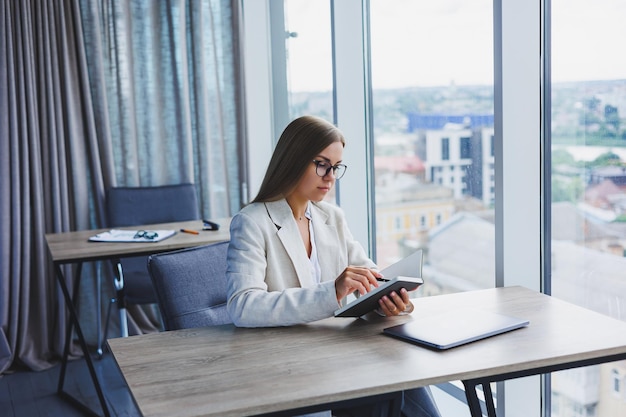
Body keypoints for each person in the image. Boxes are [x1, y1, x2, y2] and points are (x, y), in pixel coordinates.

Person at [226, 115, 441, 417]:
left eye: (336, 167)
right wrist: (333, 290)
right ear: (293, 160)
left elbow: (368, 276)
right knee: (387, 387)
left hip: (335, 352)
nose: (330, 177)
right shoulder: (251, 222)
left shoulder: (332, 217)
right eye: (321, 164)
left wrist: (386, 301)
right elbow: (242, 306)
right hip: (286, 364)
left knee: (402, 376)